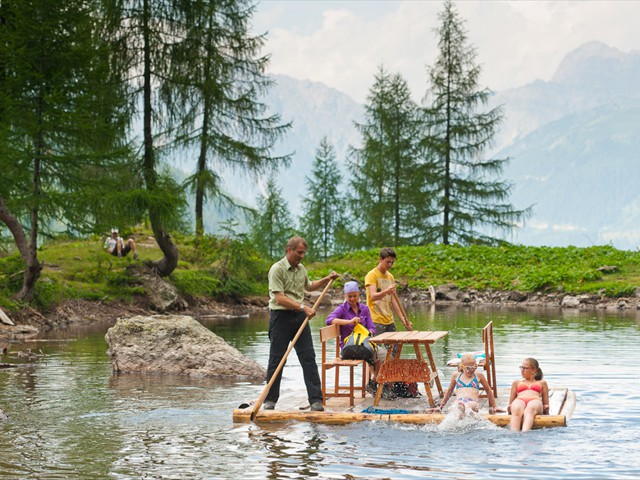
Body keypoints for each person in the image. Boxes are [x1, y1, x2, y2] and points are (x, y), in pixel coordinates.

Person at [263, 236, 339, 412]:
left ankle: (315, 400)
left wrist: (327, 279)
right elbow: (279, 298)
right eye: (299, 253)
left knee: (308, 357)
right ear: (289, 250)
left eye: (303, 253)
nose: (302, 256)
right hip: (280, 318)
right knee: (277, 360)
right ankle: (270, 400)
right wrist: (303, 307)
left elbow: (310, 286)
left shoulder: (301, 269)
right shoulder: (277, 269)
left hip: (299, 318)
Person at [325, 281, 383, 391]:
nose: (352, 299)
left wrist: (369, 333)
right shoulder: (342, 309)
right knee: (373, 355)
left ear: (358, 295)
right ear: (345, 296)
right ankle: (377, 384)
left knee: (382, 355)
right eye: (349, 296)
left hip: (364, 343)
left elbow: (372, 327)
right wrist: (349, 322)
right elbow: (329, 320)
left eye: (354, 296)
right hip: (350, 347)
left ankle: (375, 381)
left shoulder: (364, 308)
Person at [364, 247, 413, 336]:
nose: (390, 265)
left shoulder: (390, 277)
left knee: (394, 349)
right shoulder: (371, 275)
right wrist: (386, 291)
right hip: (375, 320)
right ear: (380, 259)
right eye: (388, 262)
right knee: (374, 349)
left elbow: (394, 301)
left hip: (389, 320)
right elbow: (373, 296)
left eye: (392, 262)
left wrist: (404, 321)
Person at [437, 353, 498, 417]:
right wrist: (441, 407)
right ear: (462, 367)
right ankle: (460, 411)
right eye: (468, 368)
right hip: (459, 401)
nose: (470, 371)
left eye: (473, 368)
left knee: (468, 405)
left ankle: (463, 408)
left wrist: (494, 407)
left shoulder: (478, 375)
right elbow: (449, 391)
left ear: (476, 366)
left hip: (472, 402)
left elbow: (488, 390)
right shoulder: (456, 375)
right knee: (454, 407)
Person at [508, 357, 549, 432]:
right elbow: (511, 402)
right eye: (521, 367)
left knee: (530, 410)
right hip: (519, 399)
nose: (522, 370)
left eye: (525, 368)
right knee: (517, 409)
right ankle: (514, 433)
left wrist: (546, 409)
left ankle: (525, 433)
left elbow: (546, 403)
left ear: (533, 370)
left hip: (535, 400)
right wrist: (510, 407)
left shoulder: (542, 383)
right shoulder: (516, 382)